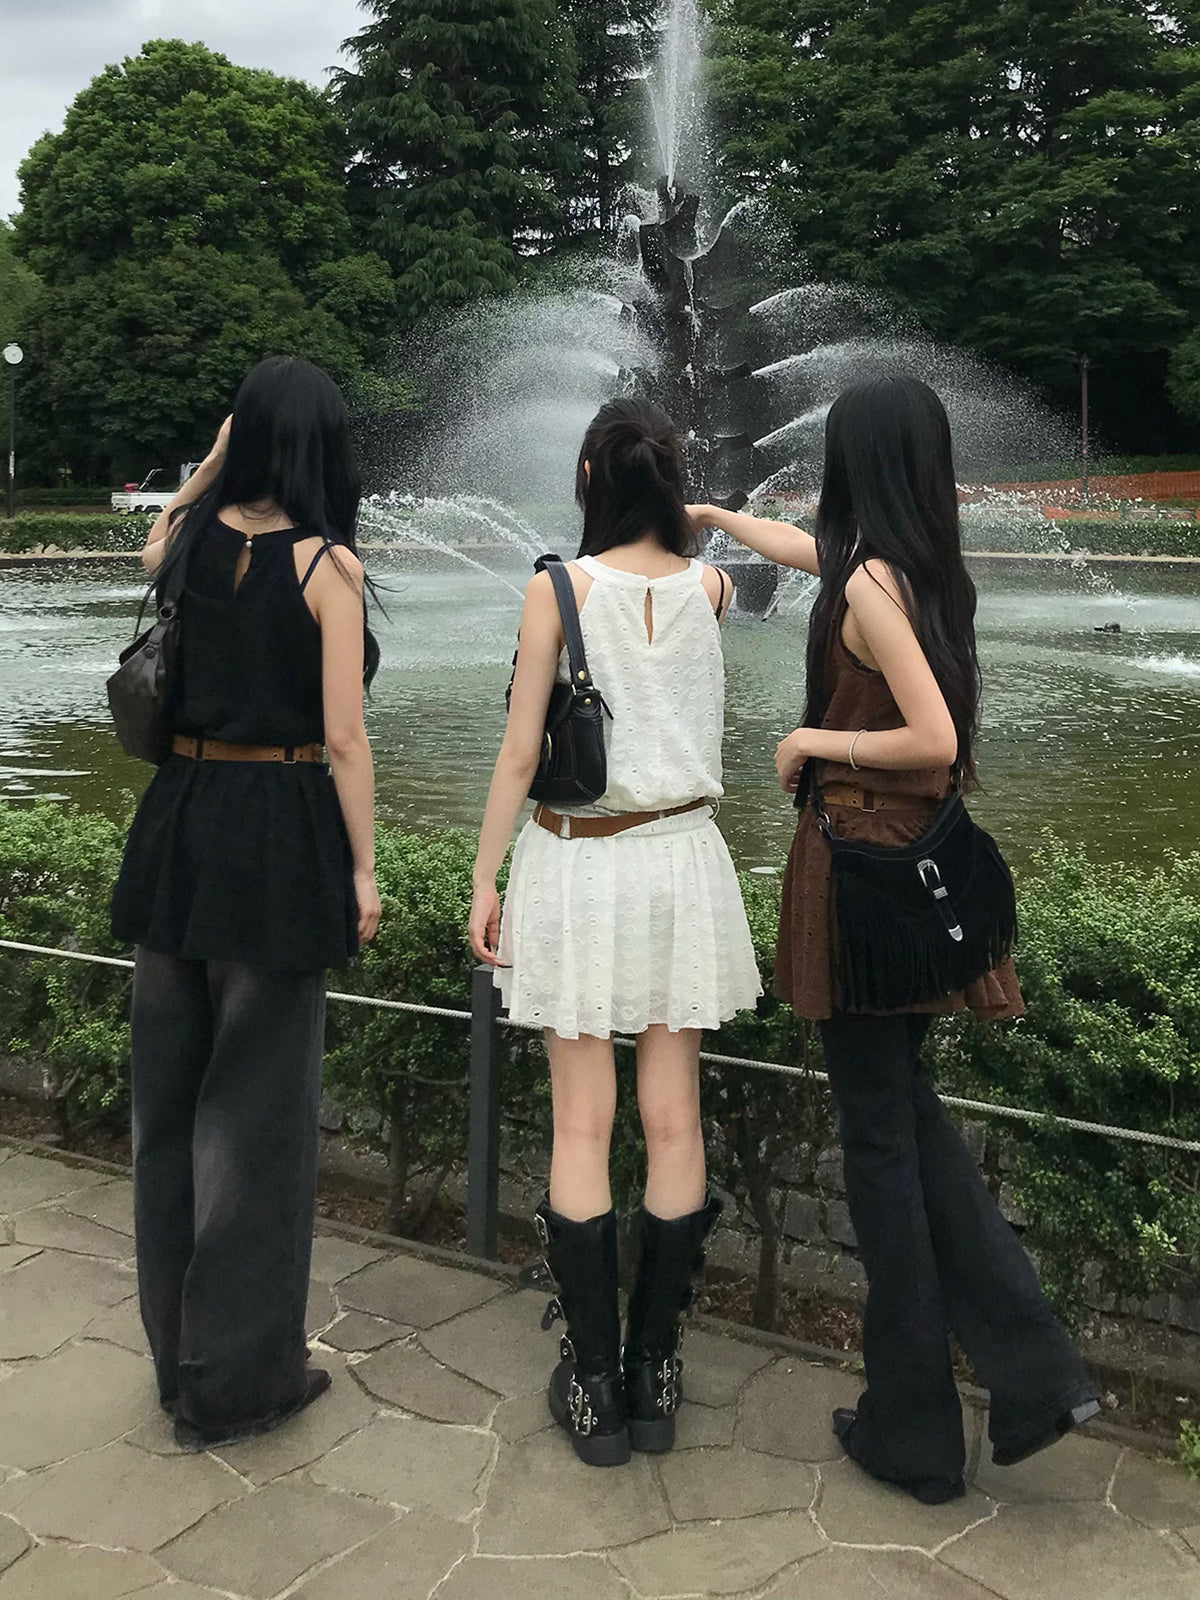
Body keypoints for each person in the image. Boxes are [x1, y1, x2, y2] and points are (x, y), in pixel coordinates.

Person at [692, 376, 1098, 1505]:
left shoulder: (871, 586)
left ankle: (917, 1430)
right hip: (915, 872)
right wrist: (719, 519)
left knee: (881, 1150)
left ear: (852, 460)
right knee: (906, 1122)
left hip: (866, 878)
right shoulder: (912, 568)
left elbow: (935, 737)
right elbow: (810, 554)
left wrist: (812, 743)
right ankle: (1035, 1375)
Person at [469, 398, 761, 1466]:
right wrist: (708, 519)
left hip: (580, 861)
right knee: (673, 1120)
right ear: (670, 482)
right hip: (683, 862)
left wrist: (483, 876)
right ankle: (657, 1377)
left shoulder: (557, 590)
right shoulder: (713, 589)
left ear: (591, 476)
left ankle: (594, 1390)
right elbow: (748, 564)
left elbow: (518, 754)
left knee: (582, 1122)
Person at [111, 356, 381, 1451]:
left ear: (247, 439)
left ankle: (178, 1356)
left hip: (178, 828)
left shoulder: (188, 544)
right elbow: (346, 739)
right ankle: (236, 1382)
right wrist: (364, 871)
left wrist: (212, 462)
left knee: (167, 1113)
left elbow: (156, 534)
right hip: (276, 838)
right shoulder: (327, 566)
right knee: (256, 1120)